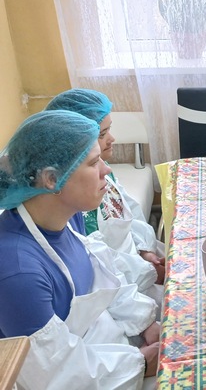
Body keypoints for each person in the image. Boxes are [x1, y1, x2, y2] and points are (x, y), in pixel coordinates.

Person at [0, 110, 160, 389]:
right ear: (52, 179)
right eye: (94, 162)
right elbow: (56, 376)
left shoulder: (67, 216)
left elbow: (104, 274)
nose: (106, 170)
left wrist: (145, 323)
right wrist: (142, 363)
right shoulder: (18, 274)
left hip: (111, 352)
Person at [45, 89, 165, 303]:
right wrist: (150, 272)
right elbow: (102, 266)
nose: (112, 139)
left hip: (138, 265)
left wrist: (144, 250)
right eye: (102, 134)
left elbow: (129, 211)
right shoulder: (80, 203)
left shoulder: (103, 171)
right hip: (126, 287)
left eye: (109, 130)